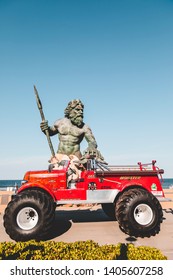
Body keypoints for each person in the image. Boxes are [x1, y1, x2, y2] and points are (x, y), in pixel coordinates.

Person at [40, 99, 105, 166]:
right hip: (60, 157)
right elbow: (50, 132)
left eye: (82, 110)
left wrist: (91, 148)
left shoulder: (85, 128)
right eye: (77, 110)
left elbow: (92, 142)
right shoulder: (60, 122)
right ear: (70, 111)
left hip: (76, 158)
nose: (81, 112)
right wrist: (45, 128)